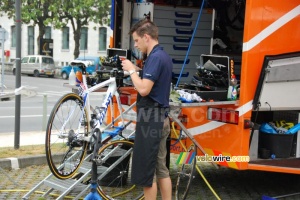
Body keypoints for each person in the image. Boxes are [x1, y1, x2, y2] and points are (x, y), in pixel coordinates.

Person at [121, 19, 173, 200]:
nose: (136, 45)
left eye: (136, 41)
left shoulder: (155, 58)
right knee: (160, 168)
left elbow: (144, 89)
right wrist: (136, 69)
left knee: (146, 172)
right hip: (161, 118)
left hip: (152, 121)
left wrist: (132, 71)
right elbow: (152, 77)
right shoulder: (161, 56)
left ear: (146, 37)